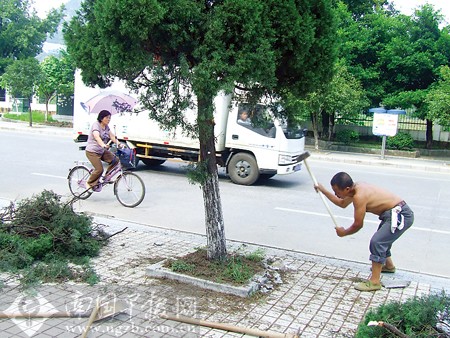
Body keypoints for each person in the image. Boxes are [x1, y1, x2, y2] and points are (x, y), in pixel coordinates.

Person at [314, 172, 414, 292]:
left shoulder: (359, 196)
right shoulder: (355, 188)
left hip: (400, 215)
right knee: (382, 239)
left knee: (377, 242)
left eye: (337, 192)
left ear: (346, 189)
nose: (336, 194)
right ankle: (389, 266)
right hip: (391, 214)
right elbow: (342, 203)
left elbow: (358, 225)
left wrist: (344, 232)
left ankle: (374, 282)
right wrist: (323, 190)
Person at [85, 110, 123, 190]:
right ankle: (89, 183)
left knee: (115, 160)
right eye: (107, 118)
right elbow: (96, 136)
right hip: (92, 152)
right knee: (99, 169)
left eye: (110, 118)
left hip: (101, 151)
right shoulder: (96, 125)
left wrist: (119, 144)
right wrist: (103, 145)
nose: (108, 119)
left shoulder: (106, 127)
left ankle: (107, 176)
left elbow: (112, 136)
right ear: (101, 118)